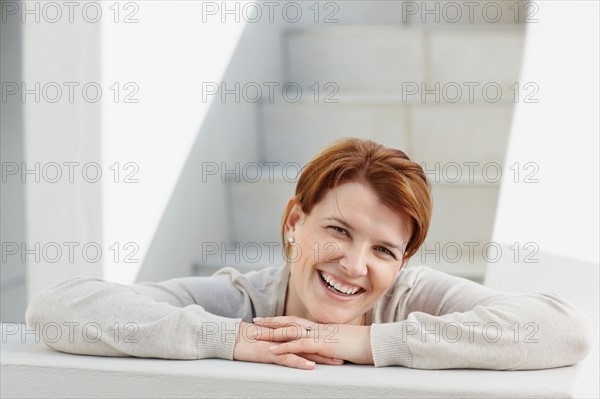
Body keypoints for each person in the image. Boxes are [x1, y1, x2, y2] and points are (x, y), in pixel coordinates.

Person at [25, 138, 593, 370]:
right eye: (338, 231)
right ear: (295, 222)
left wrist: (366, 342)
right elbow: (57, 308)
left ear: (403, 263)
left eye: (383, 250)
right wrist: (231, 338)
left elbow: (563, 329)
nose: (353, 265)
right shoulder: (242, 301)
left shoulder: (409, 299)